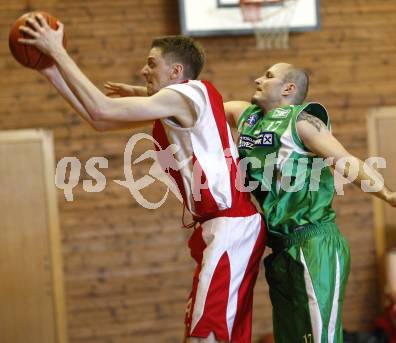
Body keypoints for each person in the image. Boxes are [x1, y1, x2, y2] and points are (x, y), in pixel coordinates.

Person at [104, 62, 396, 342]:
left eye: (268, 75)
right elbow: (196, 105)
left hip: (314, 241)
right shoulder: (246, 116)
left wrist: (386, 192)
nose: (259, 79)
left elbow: (345, 159)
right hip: (279, 247)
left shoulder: (303, 121)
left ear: (288, 88)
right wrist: (148, 92)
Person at [19, 15, 266, 343]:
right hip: (220, 227)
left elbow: (103, 109)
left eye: (152, 64)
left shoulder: (188, 94)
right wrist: (50, 71)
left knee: (205, 334)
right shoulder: (176, 106)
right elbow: (101, 121)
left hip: (231, 226)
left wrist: (57, 52)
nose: (143, 70)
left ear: (176, 72)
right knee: (219, 333)